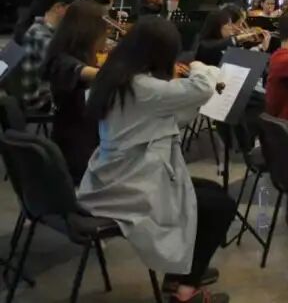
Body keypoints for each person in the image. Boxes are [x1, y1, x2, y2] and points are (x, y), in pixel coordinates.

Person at [78, 17, 231, 303]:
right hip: (129, 186)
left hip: (114, 175)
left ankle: (180, 274)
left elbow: (163, 121)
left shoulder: (115, 77)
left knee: (210, 193)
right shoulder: (142, 87)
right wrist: (199, 66)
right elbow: (202, 88)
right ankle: (185, 291)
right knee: (219, 206)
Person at [42, 0, 107, 180]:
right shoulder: (62, 61)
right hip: (77, 149)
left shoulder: (65, 53)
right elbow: (87, 73)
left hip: (80, 138)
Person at [14, 0, 78, 112]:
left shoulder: (47, 30)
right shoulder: (39, 34)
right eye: (74, 10)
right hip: (40, 100)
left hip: (47, 92)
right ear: (59, 8)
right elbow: (63, 64)